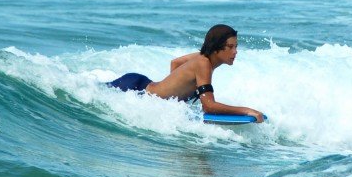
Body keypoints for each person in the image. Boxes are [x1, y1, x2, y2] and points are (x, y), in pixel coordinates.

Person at [107, 24, 265, 123]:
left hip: (141, 83)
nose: (235, 52)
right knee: (86, 93)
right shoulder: (203, 63)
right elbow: (209, 106)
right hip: (135, 88)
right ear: (217, 47)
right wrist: (247, 110)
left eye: (236, 46)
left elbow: (175, 63)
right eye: (230, 47)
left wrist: (175, 95)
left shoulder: (203, 57)